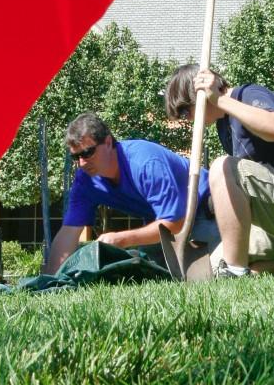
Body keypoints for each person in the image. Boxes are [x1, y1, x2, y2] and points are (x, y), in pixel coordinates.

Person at [165, 65, 274, 277]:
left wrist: (219, 99)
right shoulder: (223, 126)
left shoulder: (249, 94)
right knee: (213, 268)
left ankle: (236, 270)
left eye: (184, 111)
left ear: (200, 93)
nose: (187, 119)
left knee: (222, 166)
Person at [45, 112, 216, 274]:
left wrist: (122, 239)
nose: (82, 163)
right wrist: (53, 280)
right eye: (76, 157)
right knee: (147, 276)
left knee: (216, 273)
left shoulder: (145, 163)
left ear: (108, 142)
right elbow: (69, 232)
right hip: (163, 223)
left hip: (208, 208)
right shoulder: (86, 181)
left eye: (88, 153)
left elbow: (175, 223)